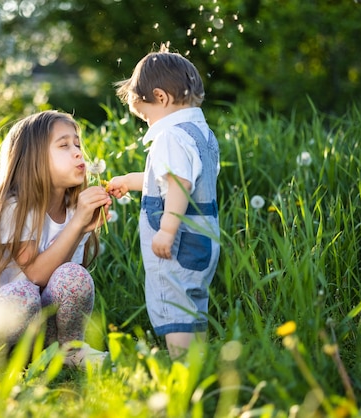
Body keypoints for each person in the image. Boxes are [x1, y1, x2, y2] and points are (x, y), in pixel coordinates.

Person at [0, 110, 111, 380]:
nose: (79, 153)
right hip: (12, 326)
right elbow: (35, 275)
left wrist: (81, 227)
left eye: (78, 144)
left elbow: (64, 279)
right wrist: (77, 224)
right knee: (22, 291)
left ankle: (70, 350)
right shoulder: (15, 207)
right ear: (34, 159)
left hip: (50, 333)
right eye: (64, 145)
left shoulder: (73, 210)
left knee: (75, 276)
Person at [106, 45, 221, 360]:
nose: (146, 124)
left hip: (180, 242)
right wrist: (131, 182)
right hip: (204, 237)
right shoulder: (201, 134)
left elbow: (179, 184)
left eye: (145, 116)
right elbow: (176, 178)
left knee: (174, 301)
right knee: (191, 300)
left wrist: (167, 230)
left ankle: (183, 366)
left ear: (161, 97)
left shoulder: (170, 137)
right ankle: (197, 360)